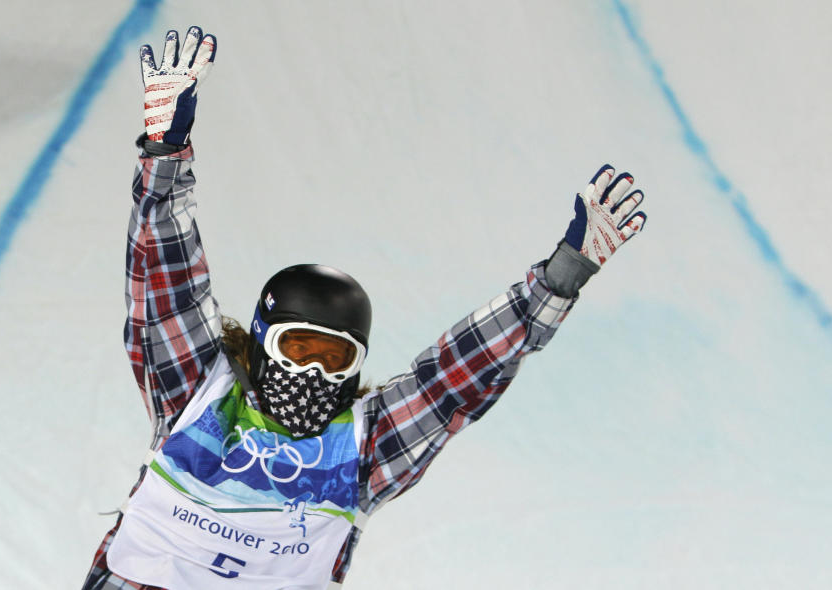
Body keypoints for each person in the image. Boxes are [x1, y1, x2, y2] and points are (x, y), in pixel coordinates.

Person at [82, 25, 647, 590]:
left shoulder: (363, 448)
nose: (312, 374)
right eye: (299, 349)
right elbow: (165, 289)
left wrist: (561, 277)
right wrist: (163, 155)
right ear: (262, 341)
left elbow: (449, 383)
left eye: (335, 359)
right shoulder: (199, 395)